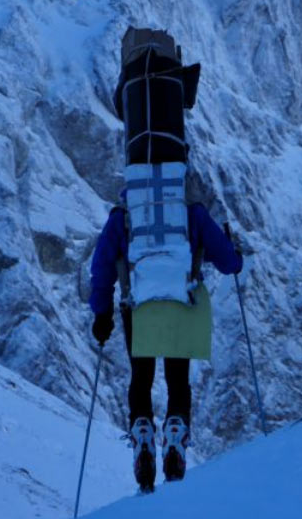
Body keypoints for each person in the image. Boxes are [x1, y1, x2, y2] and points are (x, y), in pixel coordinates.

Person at [89, 197, 242, 491]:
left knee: (141, 377)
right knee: (178, 380)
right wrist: (236, 258)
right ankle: (175, 434)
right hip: (180, 301)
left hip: (137, 306)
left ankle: (142, 434)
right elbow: (226, 260)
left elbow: (102, 267)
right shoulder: (192, 211)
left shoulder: (123, 216)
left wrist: (102, 314)